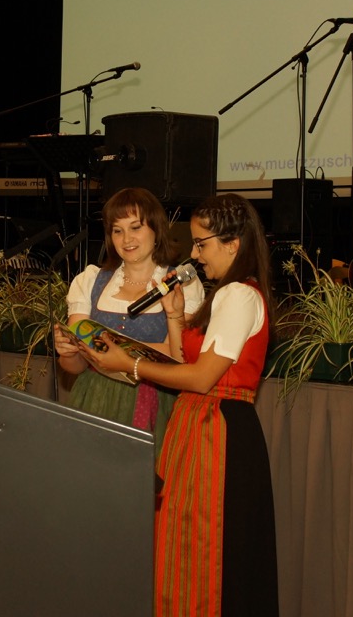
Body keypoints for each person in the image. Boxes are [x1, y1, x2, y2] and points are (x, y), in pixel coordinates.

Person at [79, 193, 279, 616]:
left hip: (217, 428)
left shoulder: (240, 295)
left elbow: (202, 378)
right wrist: (173, 315)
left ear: (233, 244)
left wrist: (130, 365)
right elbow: (182, 359)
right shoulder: (224, 294)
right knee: (182, 543)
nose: (195, 254)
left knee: (206, 547)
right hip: (196, 424)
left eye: (202, 244)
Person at [53, 187, 204, 446]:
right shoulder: (90, 281)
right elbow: (76, 366)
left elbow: (179, 355)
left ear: (156, 229)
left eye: (135, 227)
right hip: (94, 399)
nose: (126, 239)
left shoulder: (182, 284)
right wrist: (68, 352)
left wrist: (115, 354)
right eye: (117, 230)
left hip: (153, 400)